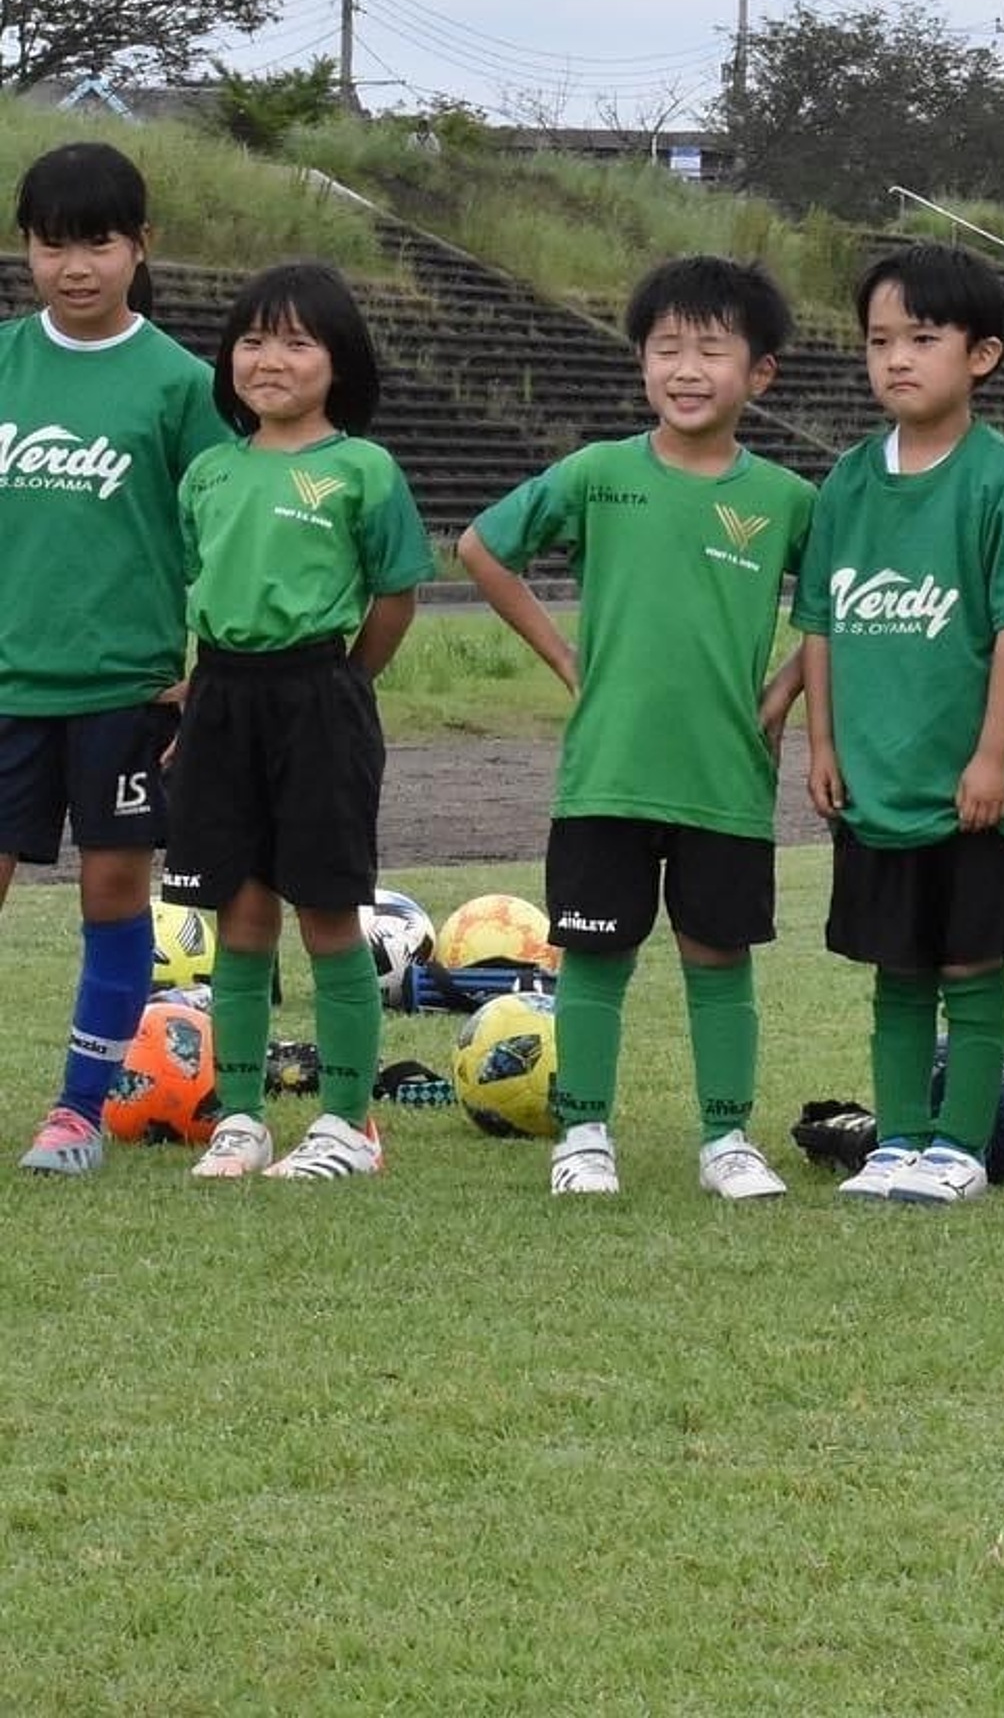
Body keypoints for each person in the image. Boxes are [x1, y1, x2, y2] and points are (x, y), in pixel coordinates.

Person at [458, 256, 813, 1200]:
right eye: (666, 349)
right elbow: (481, 548)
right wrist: (567, 661)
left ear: (760, 373)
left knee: (718, 953)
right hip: (608, 770)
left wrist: (781, 696)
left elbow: (838, 606)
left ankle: (728, 1140)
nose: (686, 369)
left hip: (725, 775)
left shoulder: (784, 500)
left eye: (711, 349)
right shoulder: (599, 472)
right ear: (642, 363)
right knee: (596, 951)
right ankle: (583, 1134)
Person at [796, 244, 1004, 1208]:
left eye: (923, 337)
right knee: (898, 971)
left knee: (970, 963)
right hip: (875, 780)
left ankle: (957, 1148)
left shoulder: (1000, 480)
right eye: (879, 340)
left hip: (971, 790)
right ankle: (898, 1140)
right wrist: (822, 745)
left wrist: (993, 756)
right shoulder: (849, 482)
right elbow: (821, 624)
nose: (897, 358)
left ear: (981, 355)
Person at [170, 263, 431, 1182]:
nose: (269, 359)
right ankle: (240, 1117)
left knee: (325, 912)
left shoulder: (362, 468)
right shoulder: (209, 471)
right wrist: (195, 697)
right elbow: (198, 582)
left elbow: (398, 593)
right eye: (251, 339)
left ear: (338, 361)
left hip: (319, 695)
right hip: (222, 699)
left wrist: (346, 686)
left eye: (295, 341)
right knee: (240, 916)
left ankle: (348, 1125)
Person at [2, 143, 227, 1175]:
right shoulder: (5, 360)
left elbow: (232, 525)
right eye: (54, 244)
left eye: (99, 240)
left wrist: (206, 659)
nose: (76, 265)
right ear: (27, 250)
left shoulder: (184, 386)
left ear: (143, 246)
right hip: (7, 686)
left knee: (112, 894)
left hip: (127, 689)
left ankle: (78, 1112)